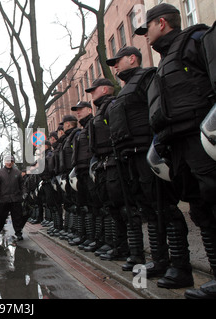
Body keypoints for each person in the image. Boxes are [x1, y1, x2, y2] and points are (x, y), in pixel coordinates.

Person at [135, 3, 216, 298]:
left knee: (213, 202)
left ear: (162, 24)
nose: (146, 36)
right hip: (178, 144)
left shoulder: (195, 40)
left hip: (200, 139)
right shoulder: (165, 62)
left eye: (148, 29)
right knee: (200, 208)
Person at [105, 45, 193, 288]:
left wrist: (159, 145)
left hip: (147, 153)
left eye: (118, 61)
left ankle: (180, 266)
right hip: (130, 156)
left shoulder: (147, 77)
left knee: (164, 207)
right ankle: (161, 260)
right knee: (149, 211)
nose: (114, 66)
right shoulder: (125, 90)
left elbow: (157, 110)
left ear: (132, 59)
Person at [85, 78, 119, 256]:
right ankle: (114, 244)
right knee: (109, 206)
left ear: (105, 89)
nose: (92, 94)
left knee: (118, 207)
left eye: (94, 90)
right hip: (103, 163)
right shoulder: (101, 111)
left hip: (113, 161)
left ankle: (127, 249)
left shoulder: (111, 106)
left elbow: (117, 131)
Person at [70, 101, 96, 248]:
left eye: (80, 110)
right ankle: (88, 236)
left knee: (95, 206)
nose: (78, 112)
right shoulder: (83, 129)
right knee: (84, 205)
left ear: (88, 109)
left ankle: (98, 239)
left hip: (90, 170)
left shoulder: (92, 124)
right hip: (81, 171)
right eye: (76, 110)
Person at [0, 155, 26, 241]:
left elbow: (22, 185)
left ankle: (18, 233)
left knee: (17, 217)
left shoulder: (17, 172)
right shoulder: (0, 173)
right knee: (0, 217)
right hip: (3, 199)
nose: (9, 163)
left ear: (13, 162)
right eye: (7, 161)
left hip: (15, 199)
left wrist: (24, 194)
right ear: (4, 162)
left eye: (11, 161)